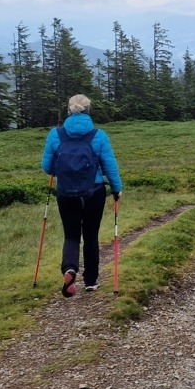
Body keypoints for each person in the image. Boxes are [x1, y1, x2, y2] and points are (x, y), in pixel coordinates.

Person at [41, 94, 123, 297]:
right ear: (88, 111)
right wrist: (116, 188)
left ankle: (69, 269)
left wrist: (56, 170)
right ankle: (91, 281)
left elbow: (47, 167)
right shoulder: (99, 135)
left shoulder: (55, 134)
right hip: (93, 191)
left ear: (69, 111)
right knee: (91, 235)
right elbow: (109, 166)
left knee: (71, 235)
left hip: (66, 192)